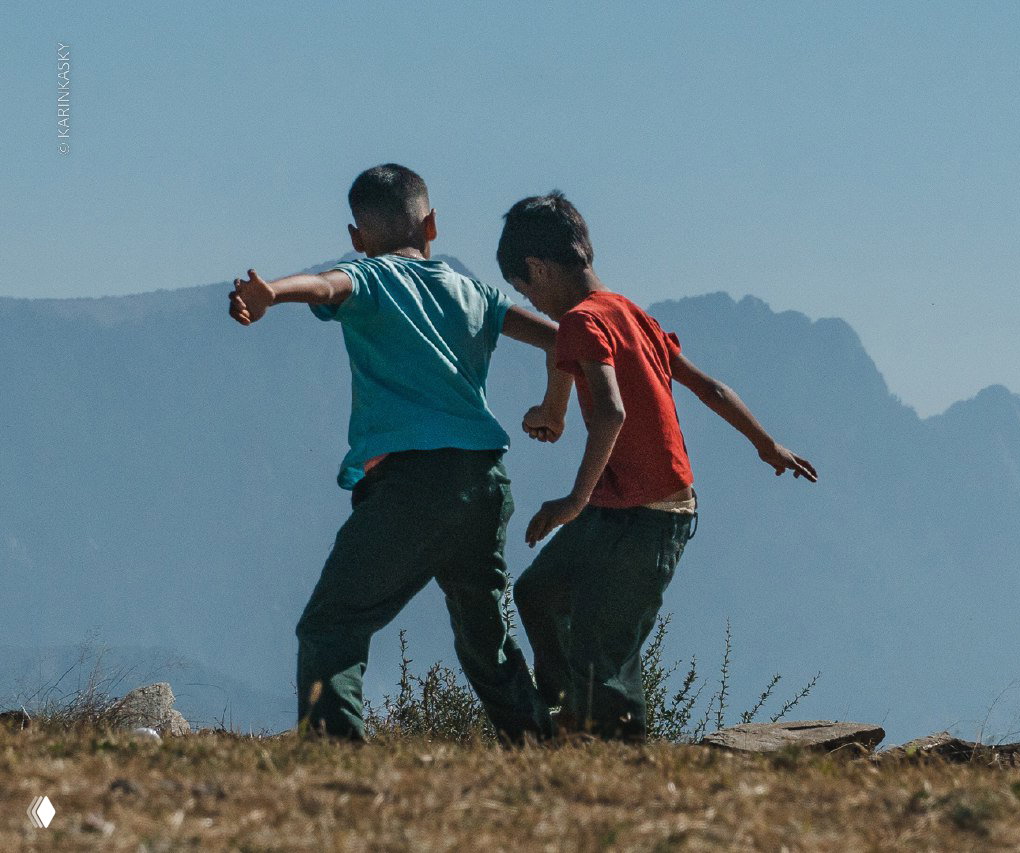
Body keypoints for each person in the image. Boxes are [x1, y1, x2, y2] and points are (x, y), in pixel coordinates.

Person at [227, 164, 571, 744]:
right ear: (432, 224)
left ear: (357, 238)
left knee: (333, 622)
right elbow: (565, 340)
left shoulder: (370, 277)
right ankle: (537, 745)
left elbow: (325, 286)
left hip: (411, 484)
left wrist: (270, 295)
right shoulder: (475, 292)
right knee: (484, 637)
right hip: (484, 481)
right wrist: (552, 408)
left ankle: (334, 755)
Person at [497, 191, 818, 741]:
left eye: (523, 289)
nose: (530, 303)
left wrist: (571, 501)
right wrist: (766, 445)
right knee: (538, 592)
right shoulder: (629, 315)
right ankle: (566, 710)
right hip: (619, 505)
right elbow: (709, 388)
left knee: (605, 649)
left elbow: (612, 413)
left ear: (537, 269)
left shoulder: (580, 322)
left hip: (652, 515)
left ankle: (624, 762)